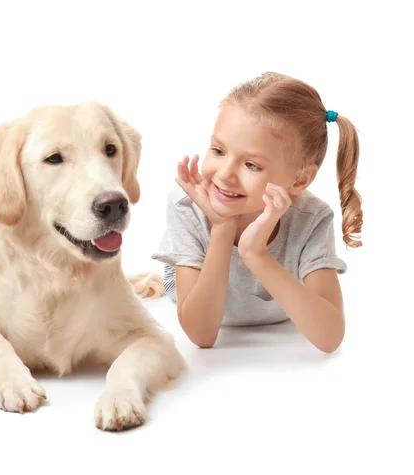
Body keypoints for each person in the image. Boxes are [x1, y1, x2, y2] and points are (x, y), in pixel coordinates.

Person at [151, 71, 363, 353]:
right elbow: (202, 336)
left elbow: (329, 339)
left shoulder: (311, 218)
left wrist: (256, 254)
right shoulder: (187, 205)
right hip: (197, 290)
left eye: (251, 165)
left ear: (299, 180)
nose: (225, 175)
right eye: (218, 150)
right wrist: (222, 228)